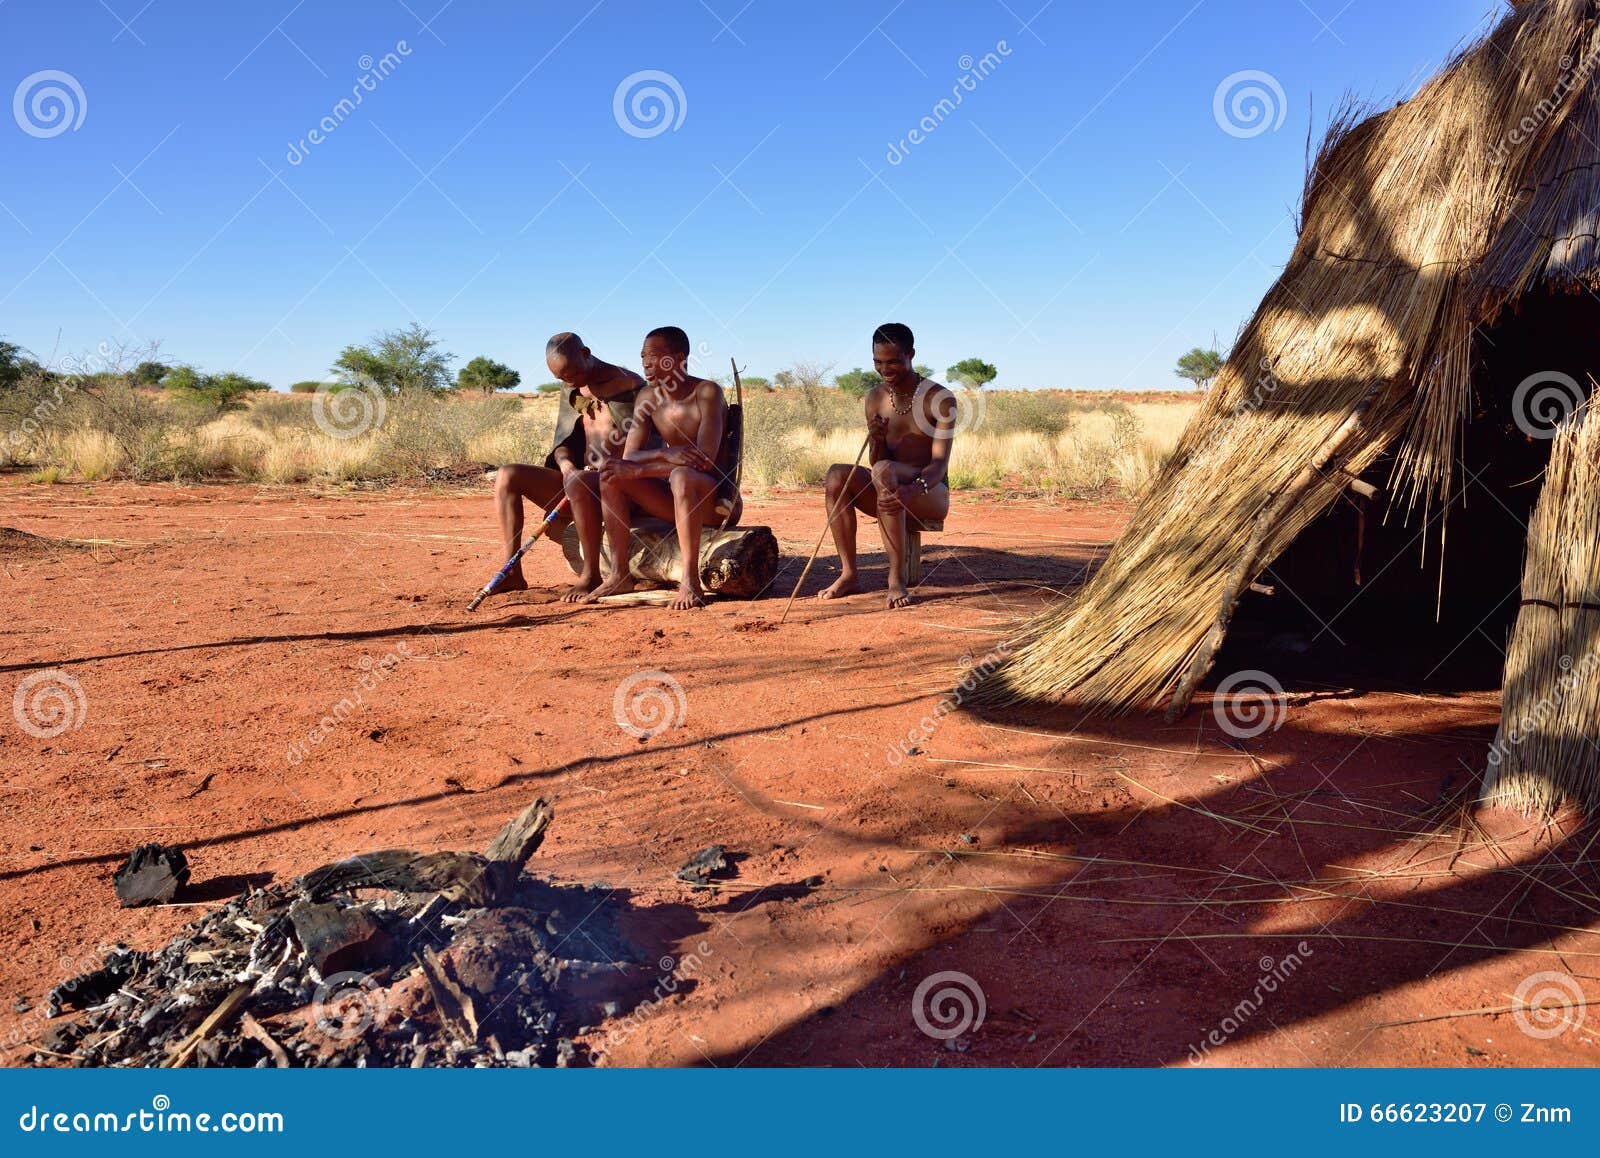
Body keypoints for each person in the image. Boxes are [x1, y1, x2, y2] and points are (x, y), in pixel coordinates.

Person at [586, 326, 737, 610]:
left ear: (678, 358)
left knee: (681, 475)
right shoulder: (647, 398)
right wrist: (670, 453)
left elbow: (704, 459)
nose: (645, 363)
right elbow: (631, 455)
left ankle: (690, 580)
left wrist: (644, 468)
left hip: (714, 502)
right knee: (611, 473)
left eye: (654, 356)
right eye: (643, 356)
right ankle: (619, 574)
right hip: (675, 498)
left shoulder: (707, 392)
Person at [490, 332, 643, 600]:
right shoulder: (572, 387)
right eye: (561, 379)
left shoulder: (630, 385)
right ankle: (512, 571)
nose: (568, 381)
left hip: (621, 490)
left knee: (581, 481)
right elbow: (562, 444)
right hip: (580, 485)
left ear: (586, 354)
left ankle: (591, 574)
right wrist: (566, 466)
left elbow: (644, 448)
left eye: (571, 374)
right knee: (507, 475)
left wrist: (613, 464)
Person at [817, 323, 954, 609]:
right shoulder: (875, 398)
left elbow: (939, 465)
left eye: (893, 362)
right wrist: (877, 440)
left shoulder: (938, 398)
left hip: (930, 493)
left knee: (884, 472)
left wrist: (910, 491)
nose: (885, 369)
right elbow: (876, 460)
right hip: (888, 488)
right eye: (878, 363)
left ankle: (896, 579)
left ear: (911, 355)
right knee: (837, 475)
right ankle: (849, 574)